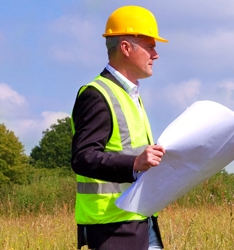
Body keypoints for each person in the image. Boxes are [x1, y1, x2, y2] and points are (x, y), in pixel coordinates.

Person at [70, 5, 167, 250]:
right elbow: (83, 158)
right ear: (125, 47)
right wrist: (134, 164)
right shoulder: (97, 94)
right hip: (112, 228)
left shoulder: (131, 95)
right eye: (150, 46)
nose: (155, 55)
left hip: (140, 221)